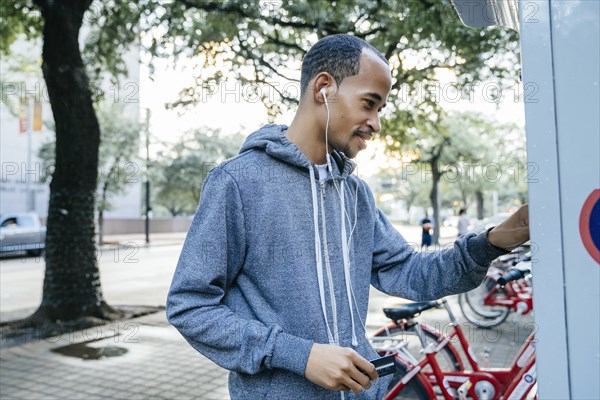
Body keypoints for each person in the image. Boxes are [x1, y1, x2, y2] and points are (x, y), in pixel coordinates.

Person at [166, 34, 530, 400]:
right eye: (369, 104)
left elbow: (411, 272)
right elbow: (191, 306)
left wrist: (491, 243)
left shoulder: (356, 195)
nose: (376, 123)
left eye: (380, 109)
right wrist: (300, 355)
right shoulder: (238, 183)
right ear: (324, 87)